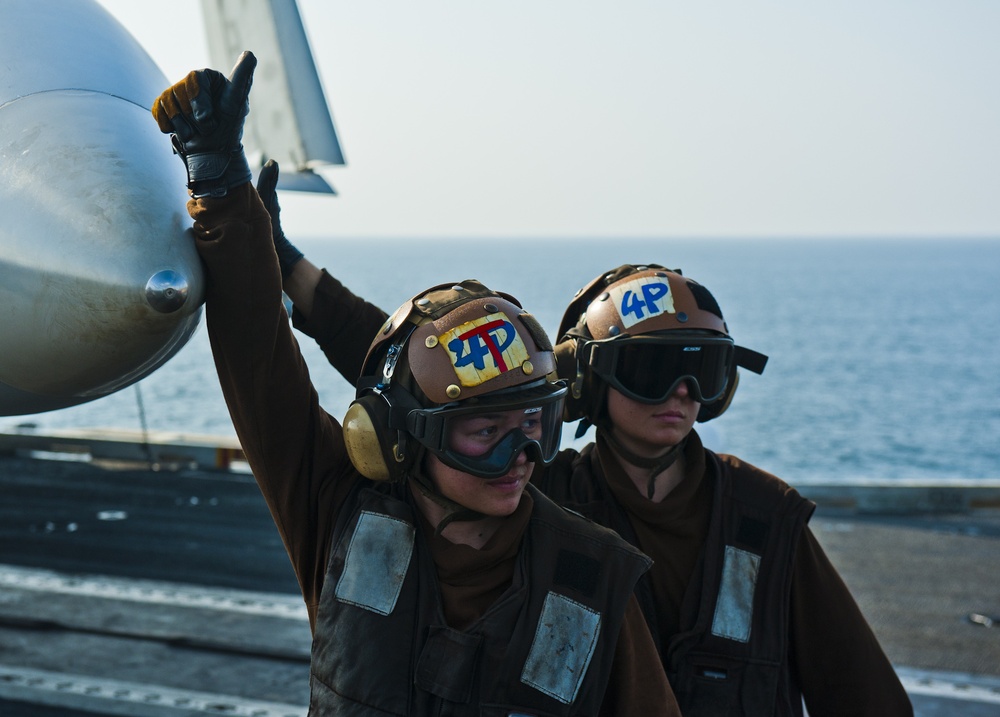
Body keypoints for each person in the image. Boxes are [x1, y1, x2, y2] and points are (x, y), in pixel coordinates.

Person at [151, 51, 682, 716]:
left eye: (531, 428)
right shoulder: (338, 512)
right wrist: (221, 186)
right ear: (398, 440)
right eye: (485, 432)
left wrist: (284, 261)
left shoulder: (597, 574)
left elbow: (432, 376)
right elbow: (259, 358)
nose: (519, 458)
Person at [260, 185, 914, 713]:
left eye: (702, 371)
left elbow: (864, 694)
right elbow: (438, 385)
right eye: (653, 371)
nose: (681, 394)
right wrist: (285, 266)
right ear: (588, 382)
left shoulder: (767, 522)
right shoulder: (541, 498)